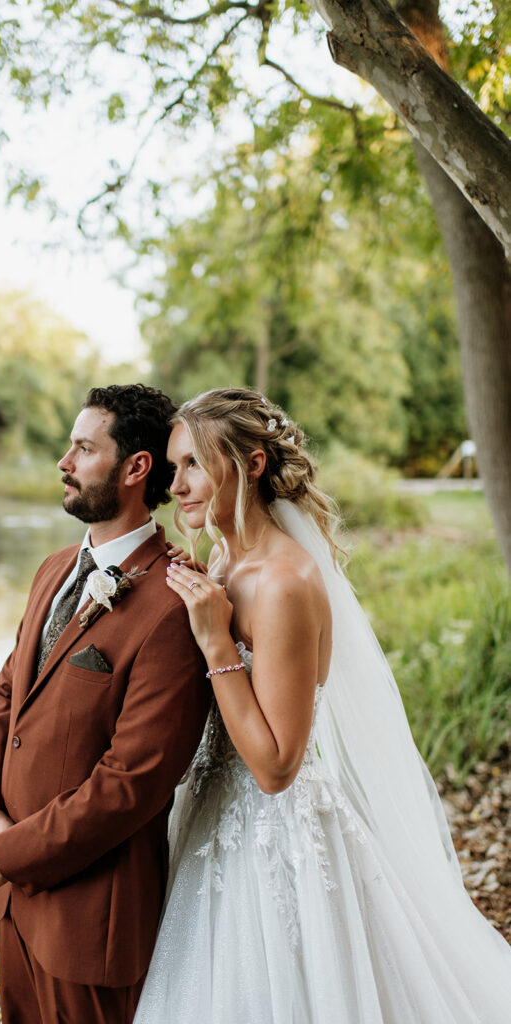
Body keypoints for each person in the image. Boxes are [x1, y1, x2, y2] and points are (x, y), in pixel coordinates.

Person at [133, 386, 511, 1024]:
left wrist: (215, 639)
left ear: (252, 465)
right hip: (210, 822)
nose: (177, 485)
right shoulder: (224, 559)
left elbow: (277, 768)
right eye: (175, 467)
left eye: (194, 463)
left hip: (274, 841)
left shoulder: (284, 583)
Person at [0, 384, 209, 1024]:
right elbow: (6, 692)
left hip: (90, 920)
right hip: (14, 900)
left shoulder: (172, 605)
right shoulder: (52, 569)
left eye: (83, 448)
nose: (63, 463)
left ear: (135, 469)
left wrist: (10, 852)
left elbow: (136, 781)